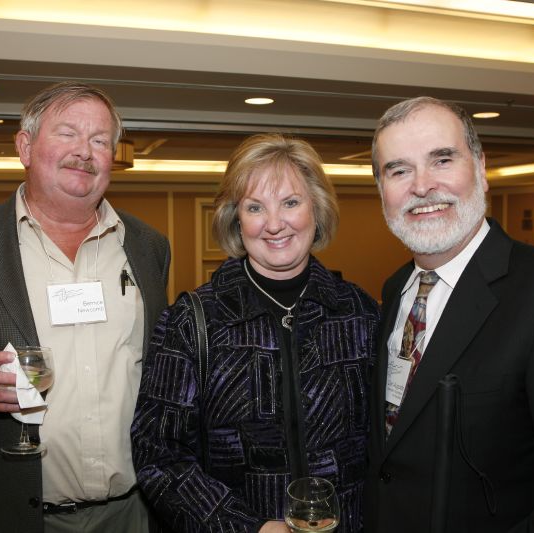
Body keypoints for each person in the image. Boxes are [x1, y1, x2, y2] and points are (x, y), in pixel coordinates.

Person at [0, 82, 170, 532]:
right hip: (14, 513)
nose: (85, 151)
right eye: (67, 133)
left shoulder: (148, 247)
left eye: (100, 141)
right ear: (25, 145)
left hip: (136, 511)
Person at [364, 96, 534, 532]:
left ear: (480, 169)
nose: (421, 186)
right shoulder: (395, 288)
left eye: (442, 160)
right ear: (382, 189)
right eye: (398, 170)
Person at [132, 133, 380, 532]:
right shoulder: (193, 322)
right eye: (255, 207)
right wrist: (249, 527)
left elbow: (387, 445)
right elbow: (159, 455)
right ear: (236, 218)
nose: (275, 224)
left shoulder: (358, 314)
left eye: (291, 202)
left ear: (316, 207)